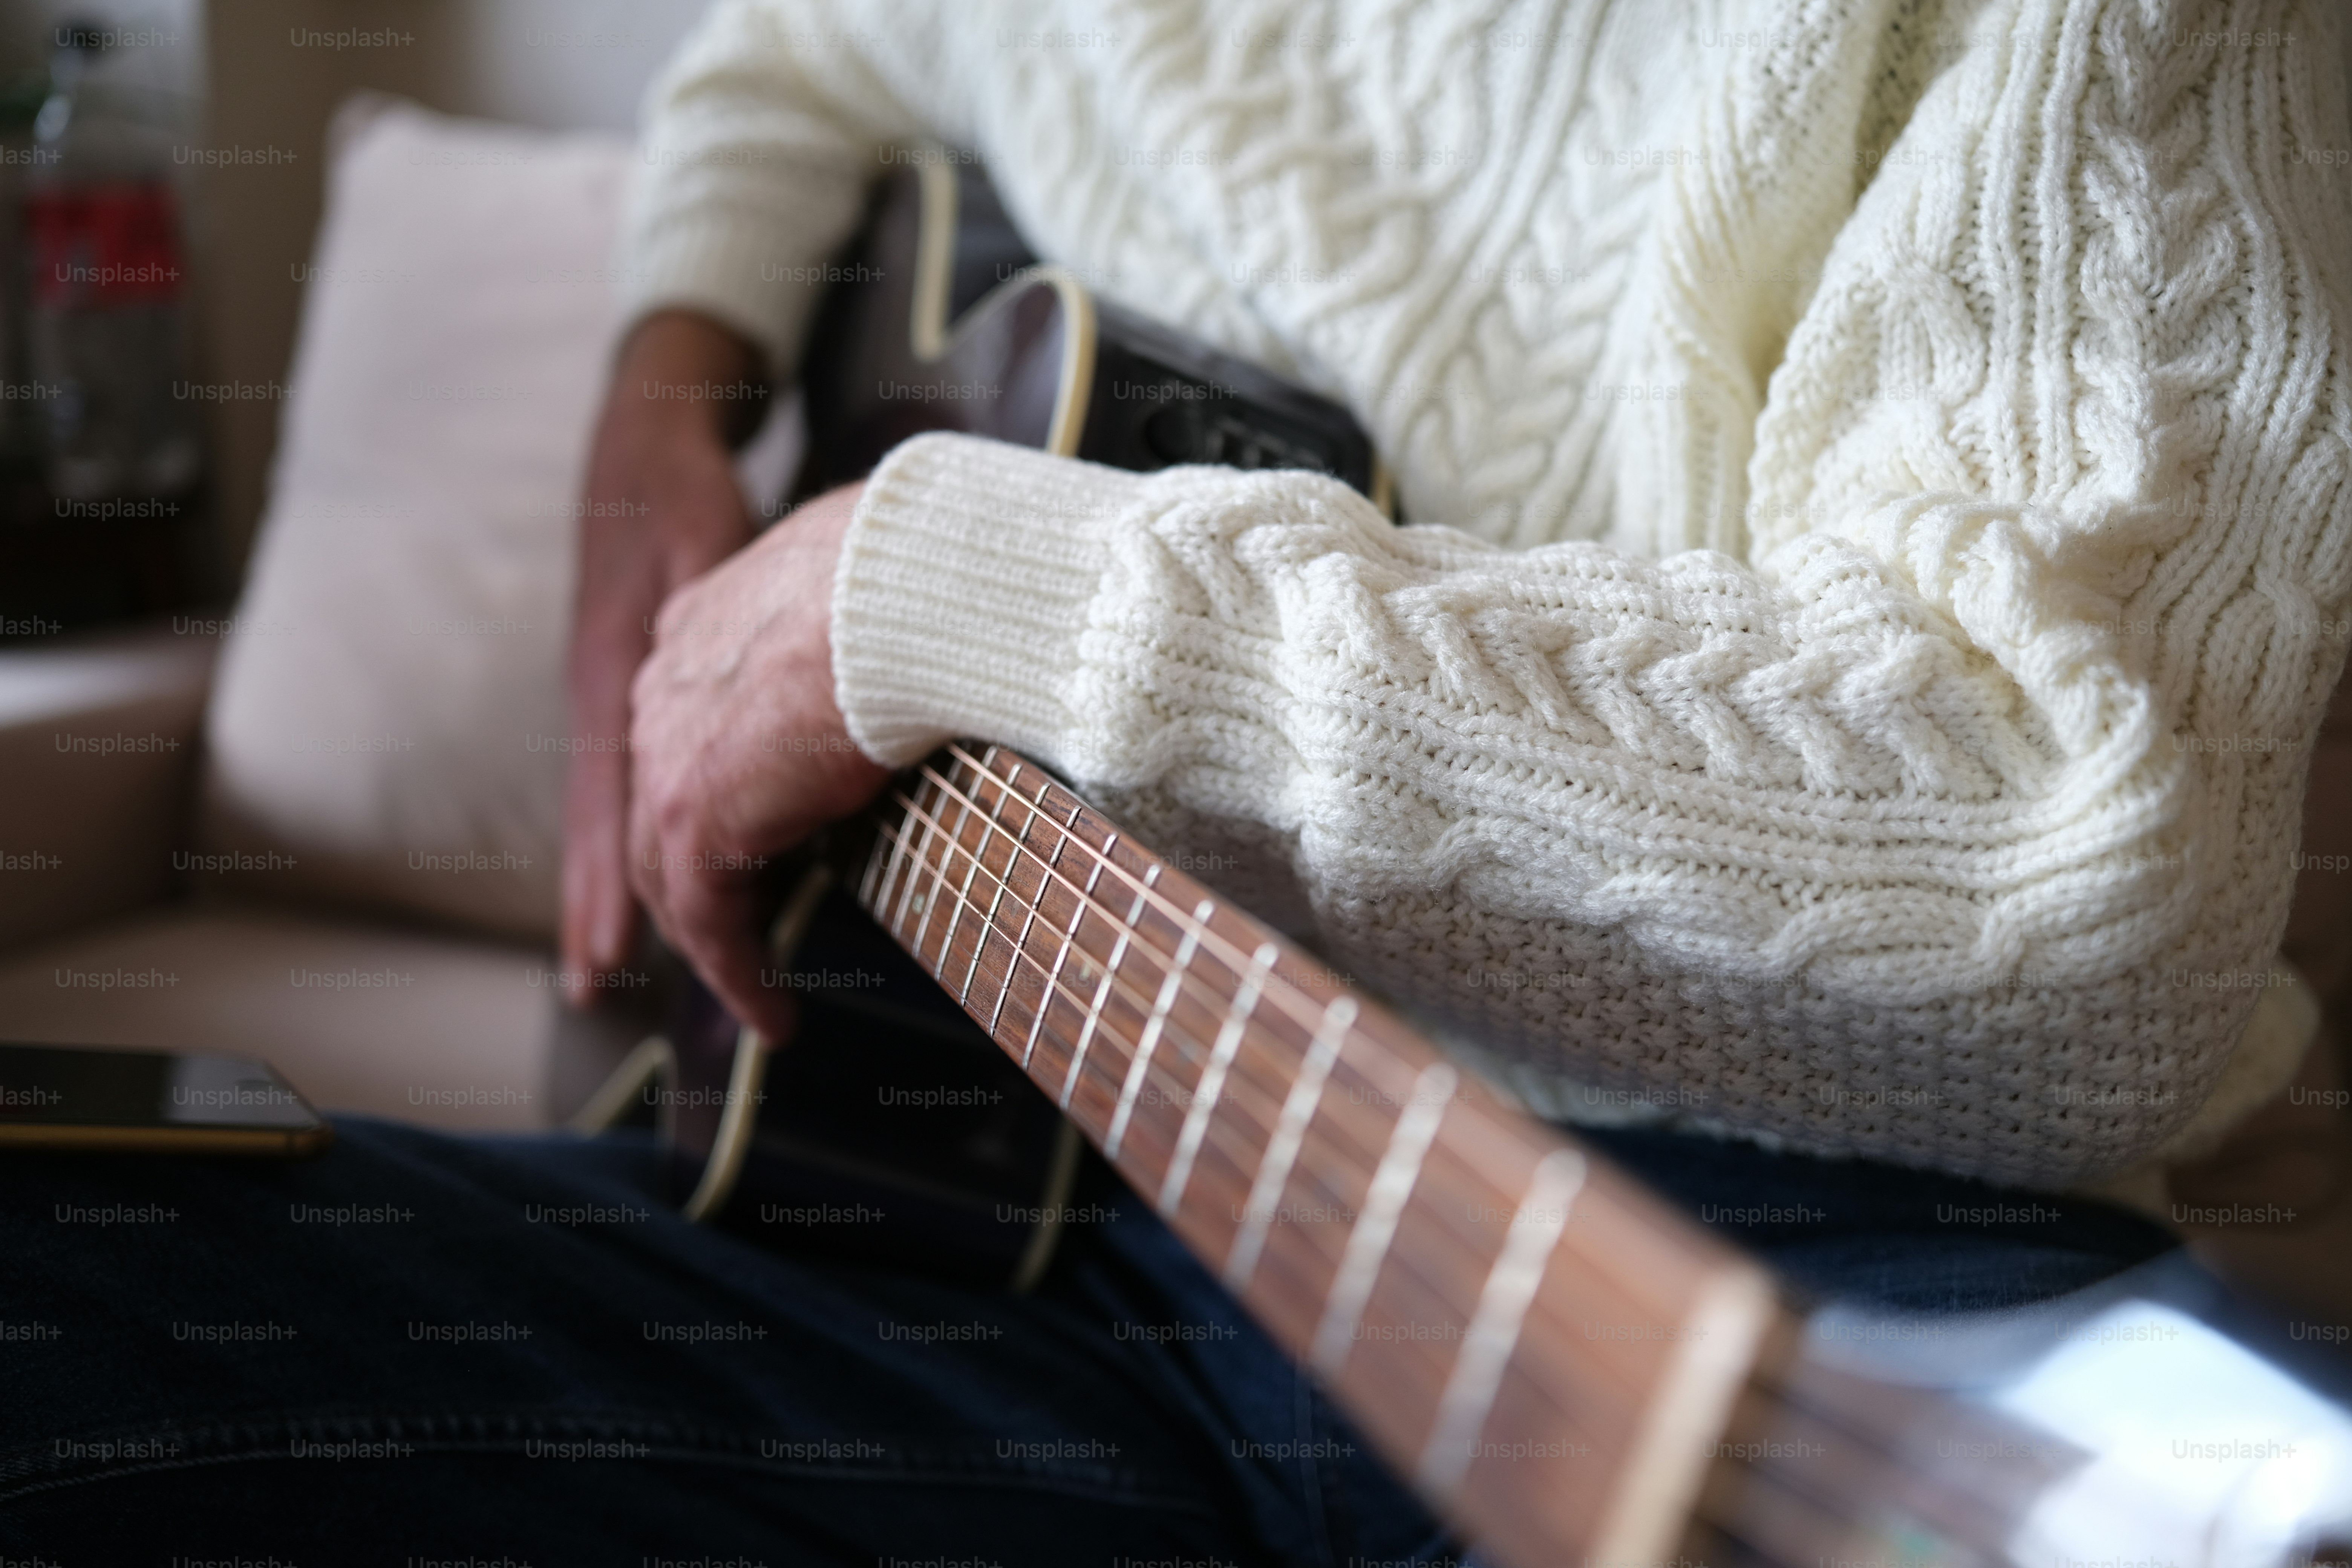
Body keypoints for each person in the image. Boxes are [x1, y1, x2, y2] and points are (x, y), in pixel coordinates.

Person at [5, 0, 2349, 1559]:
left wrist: (929, 599)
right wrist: (667, 373)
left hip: (1740, 1253)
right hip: (1026, 1205)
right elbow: (805, 44)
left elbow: (2074, 879)